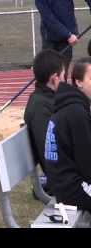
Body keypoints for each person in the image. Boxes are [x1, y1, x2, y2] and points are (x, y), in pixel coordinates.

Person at [44, 57, 91, 212]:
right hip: (71, 189)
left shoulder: (74, 105)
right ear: (79, 82)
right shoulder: (76, 112)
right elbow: (86, 163)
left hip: (66, 183)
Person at [34, 0, 91, 78]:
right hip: (49, 38)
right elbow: (48, 18)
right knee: (48, 73)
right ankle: (47, 94)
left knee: (63, 72)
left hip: (67, 38)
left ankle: (60, 94)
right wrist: (68, 35)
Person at [23, 49, 66, 193]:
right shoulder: (41, 108)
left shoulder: (47, 99)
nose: (65, 79)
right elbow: (49, 154)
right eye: (63, 75)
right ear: (54, 78)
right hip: (64, 180)